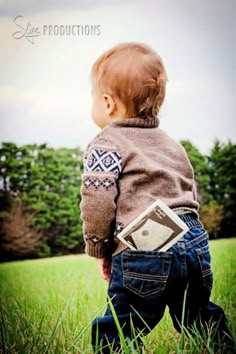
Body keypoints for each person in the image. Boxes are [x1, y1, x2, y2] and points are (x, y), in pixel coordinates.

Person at [80, 42, 234, 353]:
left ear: (107, 103)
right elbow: (189, 192)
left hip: (146, 243)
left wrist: (99, 246)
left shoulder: (106, 142)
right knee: (199, 316)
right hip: (193, 239)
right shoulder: (172, 144)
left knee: (121, 326)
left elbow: (97, 198)